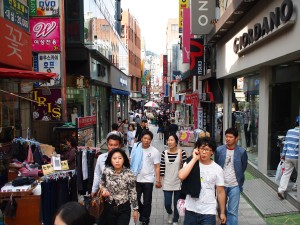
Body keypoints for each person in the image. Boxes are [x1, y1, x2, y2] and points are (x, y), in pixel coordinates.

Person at [178, 137, 226, 225]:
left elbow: (220, 192)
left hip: (209, 211)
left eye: (207, 150)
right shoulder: (191, 162)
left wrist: (222, 212)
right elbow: (181, 176)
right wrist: (194, 159)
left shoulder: (217, 169)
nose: (204, 152)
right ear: (197, 149)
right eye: (202, 149)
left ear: (212, 152)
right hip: (191, 209)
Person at [214, 127, 248, 225]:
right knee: (221, 209)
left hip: (235, 185)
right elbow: (216, 165)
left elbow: (243, 167)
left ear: (236, 138)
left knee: (233, 212)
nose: (228, 139)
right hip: (221, 184)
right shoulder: (220, 150)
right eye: (226, 136)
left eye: (230, 137)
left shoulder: (241, 152)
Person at [130, 130, 161, 225]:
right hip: (137, 178)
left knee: (147, 202)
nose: (146, 140)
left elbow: (157, 167)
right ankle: (144, 213)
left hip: (148, 180)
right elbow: (131, 160)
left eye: (148, 139)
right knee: (136, 200)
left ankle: (145, 219)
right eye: (145, 138)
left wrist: (158, 180)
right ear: (141, 138)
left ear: (151, 140)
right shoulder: (135, 148)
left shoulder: (154, 151)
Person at [101, 148, 138, 225]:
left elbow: (133, 191)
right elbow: (102, 183)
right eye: (114, 158)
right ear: (110, 160)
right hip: (109, 207)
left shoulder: (129, 173)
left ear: (124, 159)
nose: (117, 161)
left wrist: (135, 209)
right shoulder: (107, 171)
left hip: (124, 208)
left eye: (120, 158)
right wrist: (104, 191)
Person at [91, 134, 122, 225]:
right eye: (110, 145)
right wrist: (94, 190)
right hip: (103, 196)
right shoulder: (101, 158)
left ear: (119, 146)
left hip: (118, 197)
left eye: (115, 145)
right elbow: (97, 174)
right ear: (107, 145)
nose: (112, 147)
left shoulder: (123, 159)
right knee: (102, 220)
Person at [159, 134, 187, 225]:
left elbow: (185, 167)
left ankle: (175, 219)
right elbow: (162, 167)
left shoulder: (181, 152)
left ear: (176, 142)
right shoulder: (164, 153)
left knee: (176, 203)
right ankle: (170, 213)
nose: (169, 142)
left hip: (178, 182)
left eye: (172, 140)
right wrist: (159, 179)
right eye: (168, 140)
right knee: (167, 204)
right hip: (167, 182)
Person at [278, 116, 300, 199]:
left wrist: (283, 155)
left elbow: (286, 144)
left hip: (288, 156)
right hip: (297, 157)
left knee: (286, 173)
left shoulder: (289, 131)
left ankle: (281, 190)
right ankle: (296, 187)